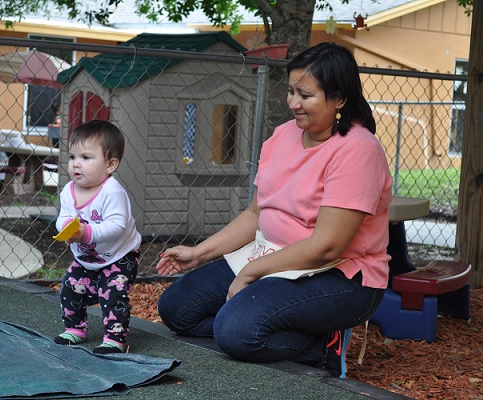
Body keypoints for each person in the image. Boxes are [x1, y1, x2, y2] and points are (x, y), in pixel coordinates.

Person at [156, 42, 393, 378]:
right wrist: (199, 254)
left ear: (339, 98)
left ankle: (322, 345)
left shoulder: (358, 150)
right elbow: (256, 213)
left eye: (305, 95)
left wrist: (252, 273)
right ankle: (281, 332)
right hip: (273, 254)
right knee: (177, 309)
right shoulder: (283, 135)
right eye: (291, 91)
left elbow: (328, 246)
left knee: (235, 331)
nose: (293, 103)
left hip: (339, 274)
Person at [53, 119, 141, 354]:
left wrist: (86, 232)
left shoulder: (112, 192)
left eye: (86, 158)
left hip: (120, 255)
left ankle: (115, 337)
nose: (76, 164)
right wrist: (66, 229)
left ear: (110, 165)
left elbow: (117, 226)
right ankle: (75, 329)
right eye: (72, 157)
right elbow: (63, 216)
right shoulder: (68, 190)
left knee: (112, 291)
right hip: (88, 258)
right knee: (70, 286)